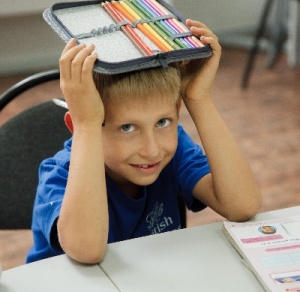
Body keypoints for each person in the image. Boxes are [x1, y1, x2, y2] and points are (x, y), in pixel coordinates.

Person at [26, 19, 262, 264]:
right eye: (127, 128)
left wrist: (198, 98)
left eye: (162, 122)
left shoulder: (175, 149)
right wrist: (87, 125)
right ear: (78, 127)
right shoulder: (57, 176)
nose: (152, 151)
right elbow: (88, 251)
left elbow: (242, 206)